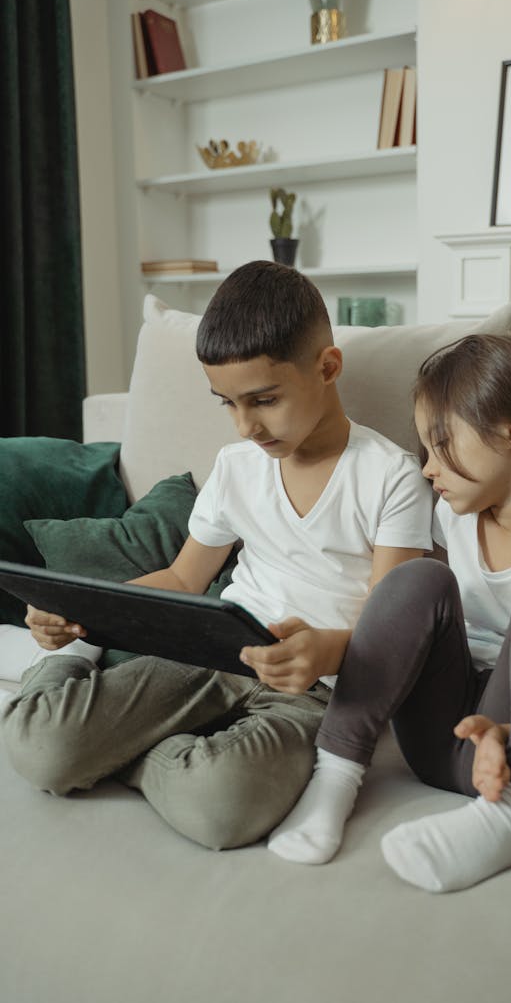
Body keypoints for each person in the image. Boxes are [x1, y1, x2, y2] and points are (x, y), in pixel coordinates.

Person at [1, 260, 432, 850]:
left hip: (314, 688)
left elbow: (393, 625)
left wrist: (326, 648)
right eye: (227, 403)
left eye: (264, 400)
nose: (245, 426)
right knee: (37, 746)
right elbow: (184, 578)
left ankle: (121, 752)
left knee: (221, 807)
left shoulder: (391, 476)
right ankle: (79, 671)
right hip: (210, 650)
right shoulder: (236, 468)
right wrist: (82, 616)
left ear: (328, 367)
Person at [267, 334, 511, 892]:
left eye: (441, 444)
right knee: (418, 577)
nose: (427, 468)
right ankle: (336, 777)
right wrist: (328, 648)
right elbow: (406, 627)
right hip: (435, 741)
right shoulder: (452, 520)